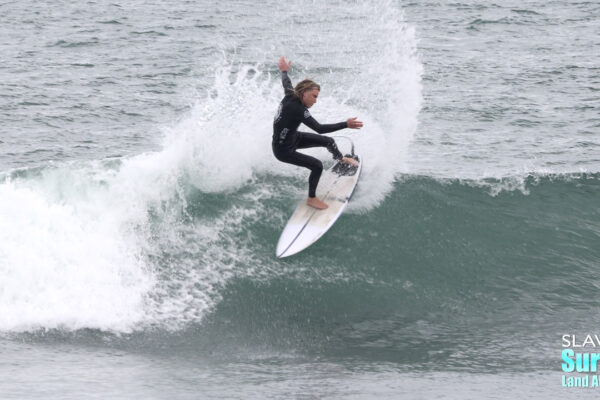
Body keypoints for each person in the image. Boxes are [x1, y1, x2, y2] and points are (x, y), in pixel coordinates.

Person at [272, 57, 363, 210]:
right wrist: (345, 124)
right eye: (314, 96)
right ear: (304, 93)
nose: (315, 100)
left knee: (328, 141)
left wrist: (284, 70)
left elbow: (285, 81)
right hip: (283, 150)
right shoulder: (298, 109)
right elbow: (319, 128)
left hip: (293, 138)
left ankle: (340, 159)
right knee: (317, 165)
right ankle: (312, 198)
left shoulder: (290, 93)